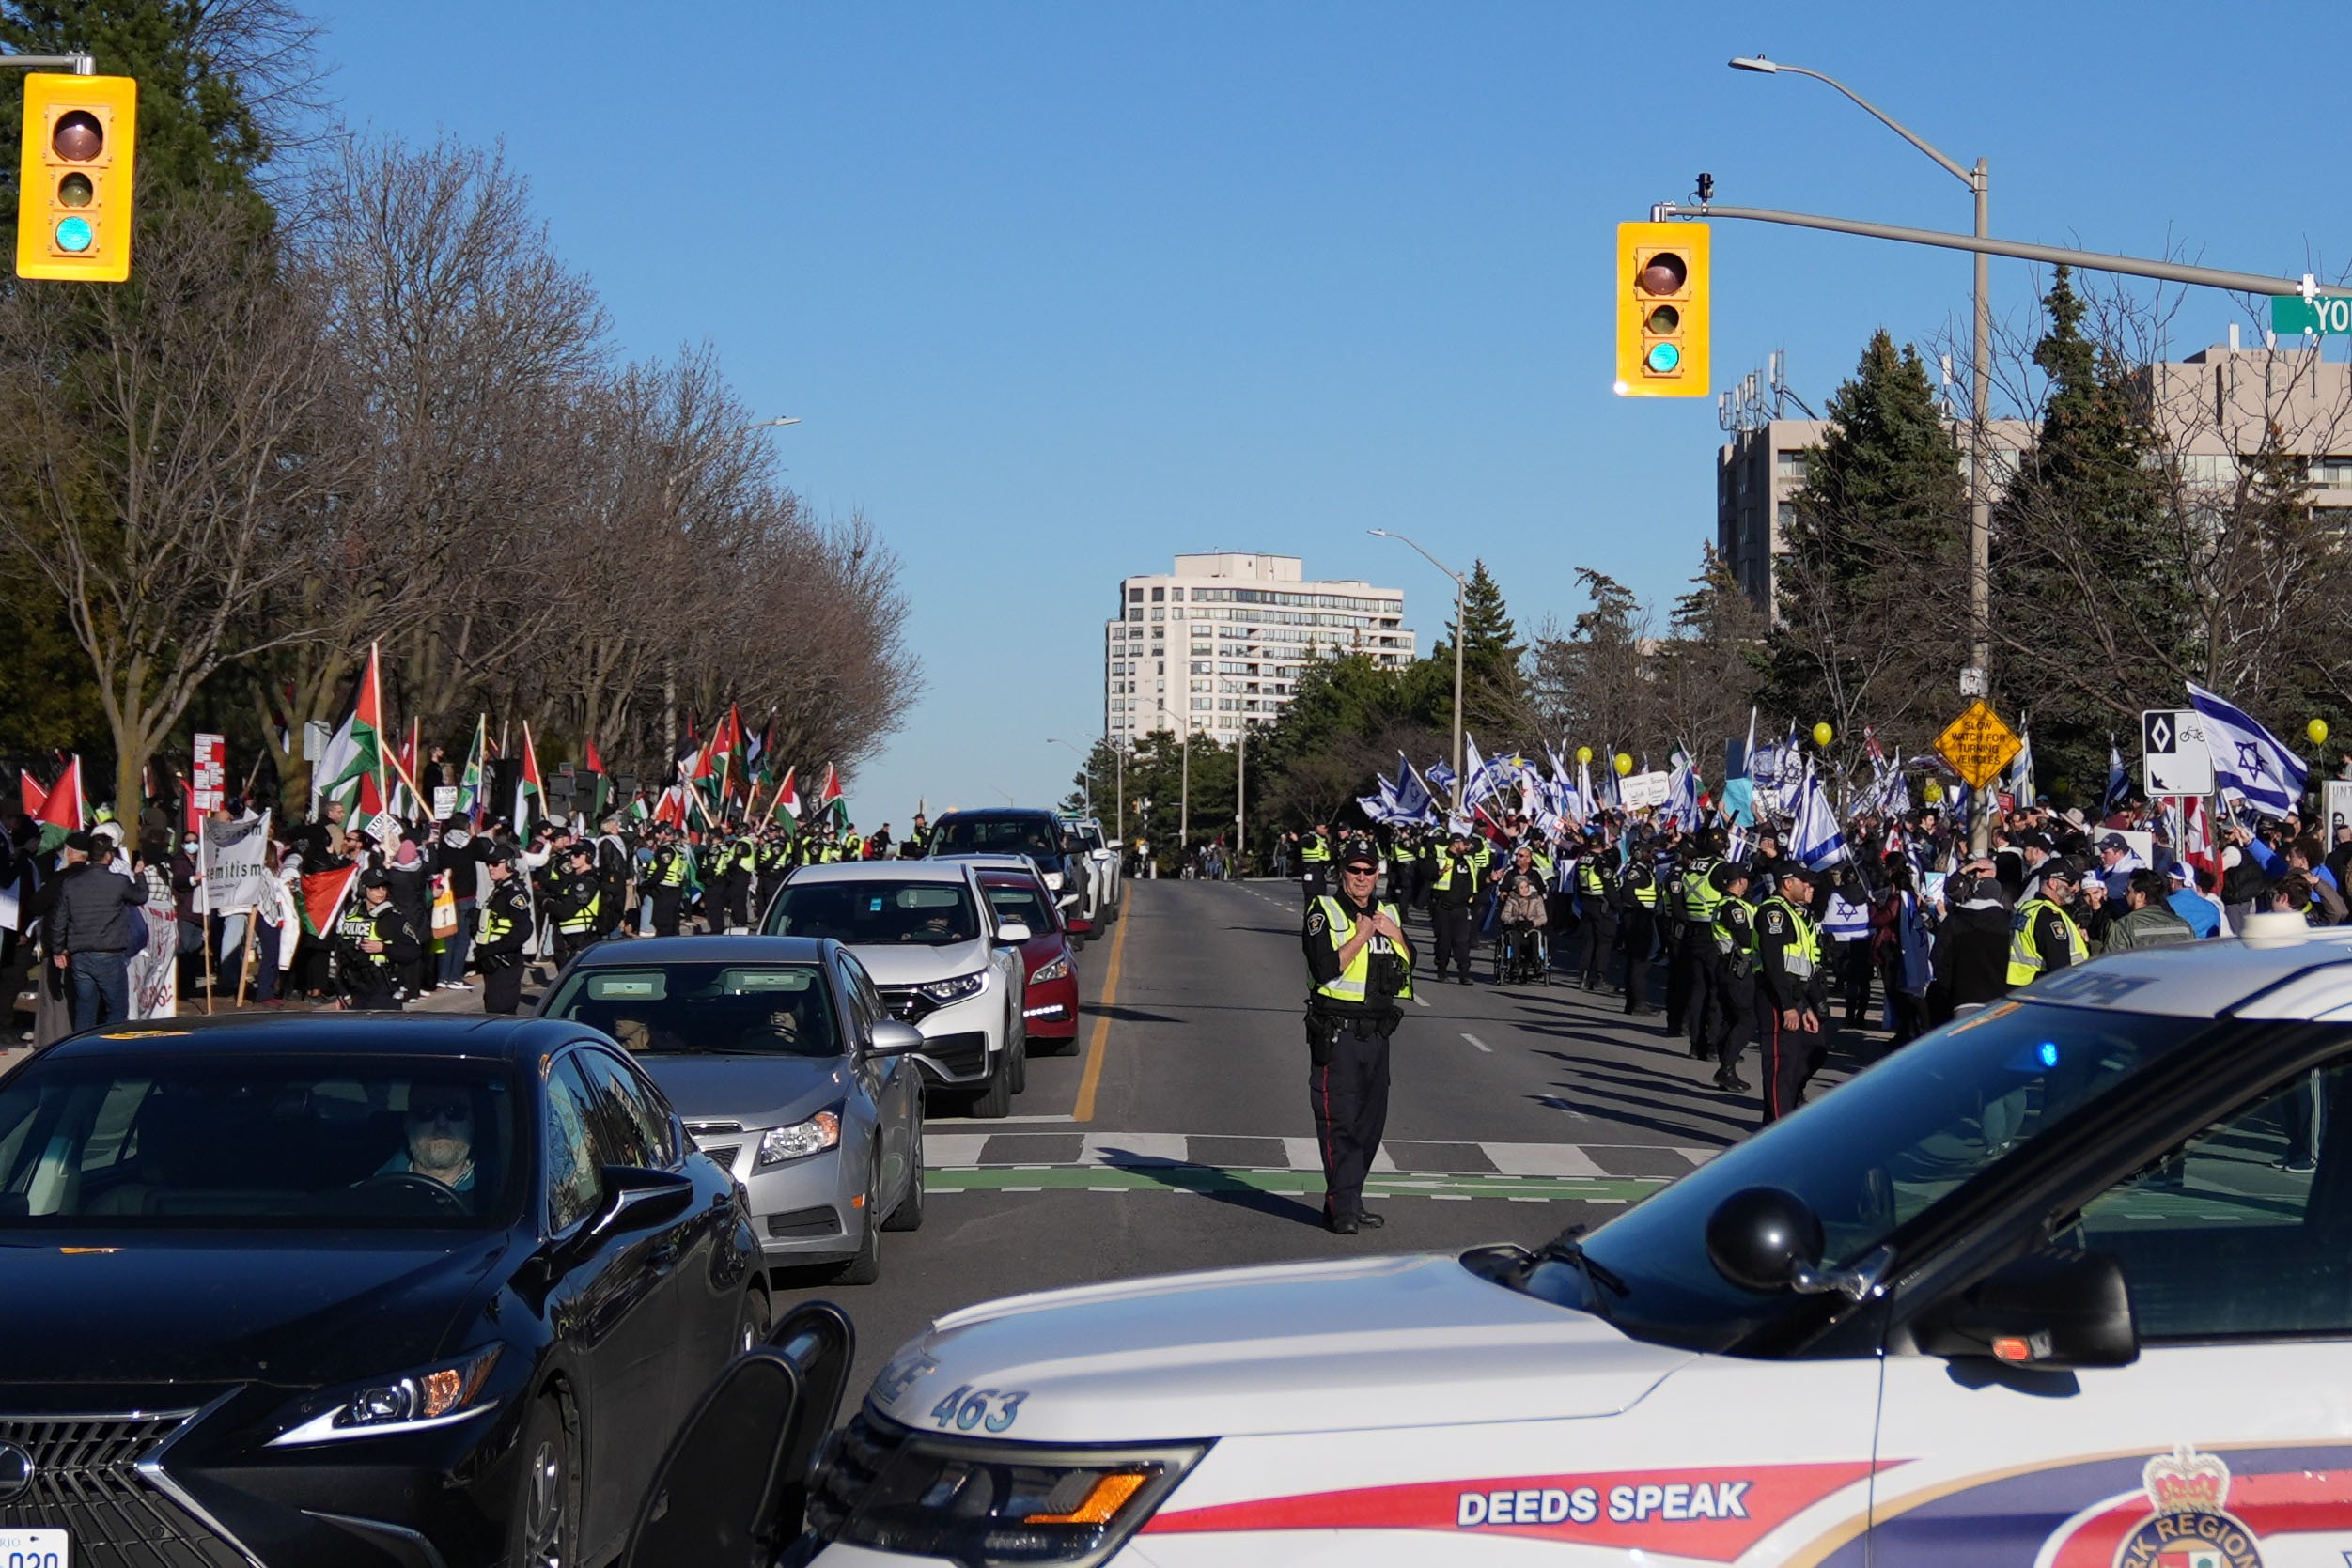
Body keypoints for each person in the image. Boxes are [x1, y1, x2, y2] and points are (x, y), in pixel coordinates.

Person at [1301, 846, 1414, 1235]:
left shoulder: (1389, 913)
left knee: (1370, 1125)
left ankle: (1351, 1198)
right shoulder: (1324, 911)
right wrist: (1363, 936)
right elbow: (1324, 967)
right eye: (1355, 870)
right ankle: (1341, 1207)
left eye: (1370, 870)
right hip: (1339, 1032)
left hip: (1378, 1034)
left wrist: (1392, 932)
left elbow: (1409, 959)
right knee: (1340, 1123)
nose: (1363, 877)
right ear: (1342, 873)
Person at [43, 831, 146, 1032]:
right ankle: (111, 1053)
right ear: (109, 856)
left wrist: (57, 949)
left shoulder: (71, 883)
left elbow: (59, 919)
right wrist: (140, 873)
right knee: (116, 1010)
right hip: (108, 952)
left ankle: (83, 1050)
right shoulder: (119, 881)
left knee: (85, 1008)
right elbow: (141, 896)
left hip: (80, 953)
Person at [1753, 862, 1827, 1126]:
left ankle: (1781, 1112)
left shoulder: (1793, 913)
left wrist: (1805, 1007)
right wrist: (1786, 1005)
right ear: (1787, 883)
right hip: (1776, 995)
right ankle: (1777, 1127)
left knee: (1812, 1049)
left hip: (1795, 994)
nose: (1808, 886)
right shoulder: (1774, 912)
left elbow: (1799, 963)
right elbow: (1774, 963)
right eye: (1802, 881)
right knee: (1779, 1065)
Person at [335, 870, 423, 1010]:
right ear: (363, 889)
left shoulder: (393, 918)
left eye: (384, 887)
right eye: (375, 887)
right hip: (354, 988)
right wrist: (341, 992)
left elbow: (414, 952)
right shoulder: (350, 913)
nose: (381, 892)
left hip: (382, 989)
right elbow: (340, 954)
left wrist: (384, 948)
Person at [1705, 861, 1756, 1092]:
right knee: (1747, 1019)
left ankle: (1727, 1065)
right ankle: (1726, 1068)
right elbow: (1746, 938)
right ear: (1742, 881)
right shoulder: (1733, 908)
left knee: (1731, 1018)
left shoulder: (1731, 904)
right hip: (1737, 969)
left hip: (1728, 967)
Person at [377, 1085, 476, 1197]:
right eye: (427, 1109)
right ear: (408, 1123)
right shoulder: (368, 1194)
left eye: (454, 1110)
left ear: (472, 1122)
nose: (441, 1122)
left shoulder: (495, 1197)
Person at [2006, 858, 2089, 989]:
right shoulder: (2049, 916)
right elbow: (2059, 966)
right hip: (2044, 989)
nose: (2074, 888)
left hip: (2023, 986)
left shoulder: (2027, 908)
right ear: (2053, 883)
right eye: (2070, 882)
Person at [475, 848, 533, 1014]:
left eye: (495, 864)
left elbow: (523, 930)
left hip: (505, 963)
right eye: (488, 864)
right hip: (494, 963)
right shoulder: (500, 891)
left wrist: (492, 949)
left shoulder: (514, 894)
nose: (490, 868)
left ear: (510, 865)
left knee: (501, 1012)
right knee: (493, 1008)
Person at [1426, 829, 1484, 986]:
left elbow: (1476, 879)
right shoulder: (1441, 857)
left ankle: (1464, 973)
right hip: (1443, 906)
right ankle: (1442, 971)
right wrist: (1439, 872)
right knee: (1443, 941)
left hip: (1462, 907)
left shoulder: (1468, 861)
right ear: (1455, 844)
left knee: (1462, 942)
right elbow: (1427, 873)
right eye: (1462, 843)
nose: (1465, 846)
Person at [2105, 867, 2196, 951]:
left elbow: (2111, 964)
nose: (2125, 895)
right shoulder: (2184, 926)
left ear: (2141, 896)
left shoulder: (2125, 926)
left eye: (2128, 891)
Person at [548, 842, 604, 965]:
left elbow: (566, 911)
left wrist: (547, 904)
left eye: (577, 854)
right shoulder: (574, 880)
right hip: (568, 937)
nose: (572, 857)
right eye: (572, 854)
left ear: (589, 857)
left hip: (582, 936)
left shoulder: (586, 883)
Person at [1575, 834, 1618, 993]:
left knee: (1589, 941)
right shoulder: (1601, 861)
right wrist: (1617, 906)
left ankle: (1584, 976)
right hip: (1601, 904)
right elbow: (1609, 886)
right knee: (1604, 941)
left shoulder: (1582, 859)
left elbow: (1577, 884)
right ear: (1602, 845)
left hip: (1587, 903)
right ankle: (1600, 977)